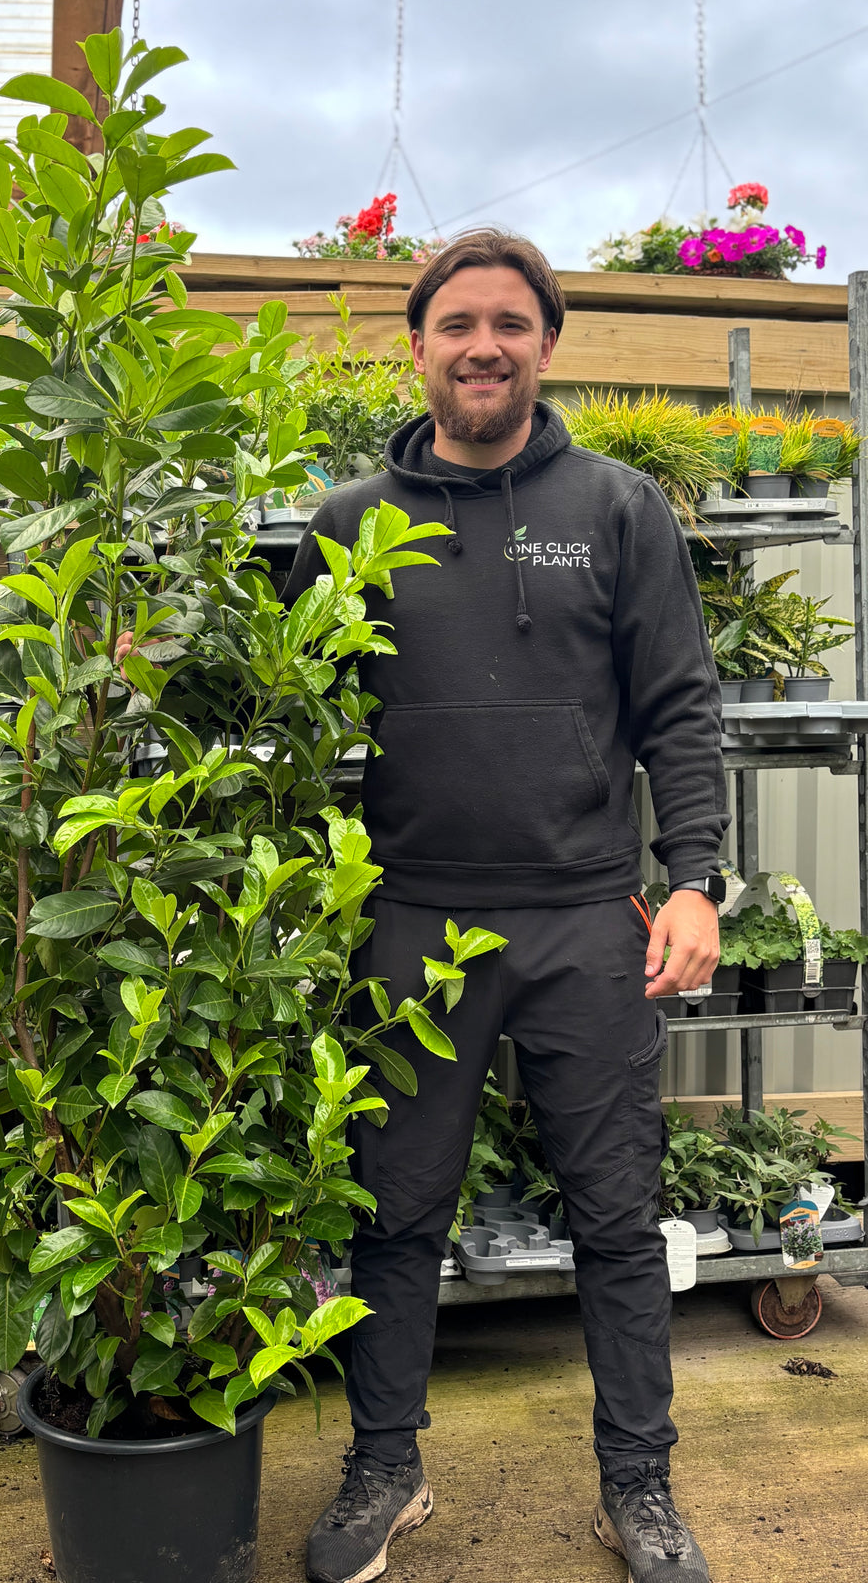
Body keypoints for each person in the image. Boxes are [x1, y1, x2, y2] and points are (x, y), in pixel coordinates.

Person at [283, 229, 727, 1583]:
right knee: (396, 1209)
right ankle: (387, 1465)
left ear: (548, 344)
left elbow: (680, 708)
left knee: (613, 1211)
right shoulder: (348, 524)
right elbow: (291, 718)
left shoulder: (617, 511)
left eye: (510, 324)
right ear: (416, 346)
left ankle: (640, 1487)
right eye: (457, 323)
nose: (483, 345)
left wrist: (695, 879)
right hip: (410, 918)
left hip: (589, 918)